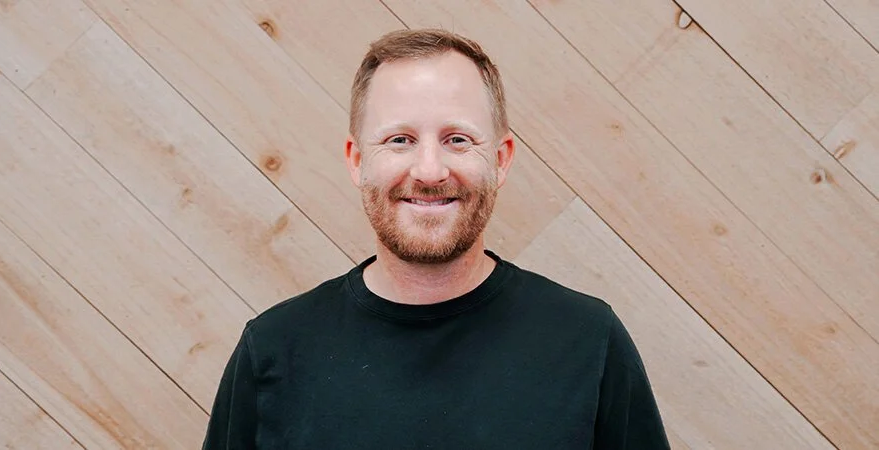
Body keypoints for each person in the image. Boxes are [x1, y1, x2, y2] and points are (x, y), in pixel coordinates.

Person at [203, 28, 670, 449]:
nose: (429, 171)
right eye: (400, 140)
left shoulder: (588, 340)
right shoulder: (272, 350)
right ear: (357, 159)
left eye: (458, 139)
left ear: (501, 159)